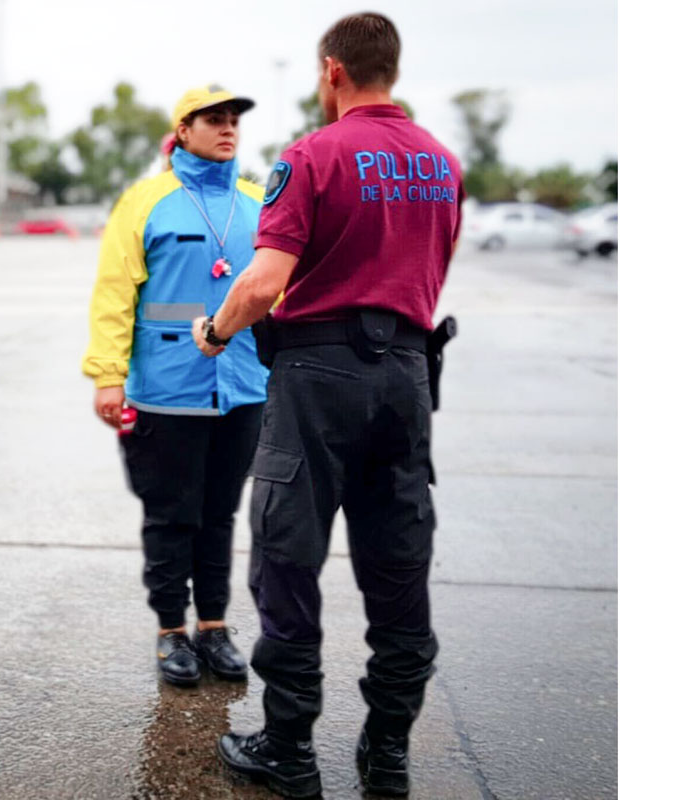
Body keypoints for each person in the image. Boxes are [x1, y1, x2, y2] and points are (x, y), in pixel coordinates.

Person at [189, 13, 463, 797]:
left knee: (286, 558)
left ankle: (288, 747)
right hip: (408, 378)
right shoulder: (442, 163)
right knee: (400, 561)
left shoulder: (313, 155)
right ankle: (387, 752)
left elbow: (265, 280)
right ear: (393, 71)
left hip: (318, 376)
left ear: (332, 71)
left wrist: (215, 331)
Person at [82, 85, 268, 688]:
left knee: (220, 515)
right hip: (165, 389)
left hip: (242, 390)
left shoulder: (258, 201)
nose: (228, 129)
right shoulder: (145, 201)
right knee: (170, 516)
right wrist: (109, 376)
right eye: (214, 120)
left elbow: (281, 290)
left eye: (234, 120)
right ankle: (171, 632)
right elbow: (115, 296)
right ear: (182, 130)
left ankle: (213, 627)